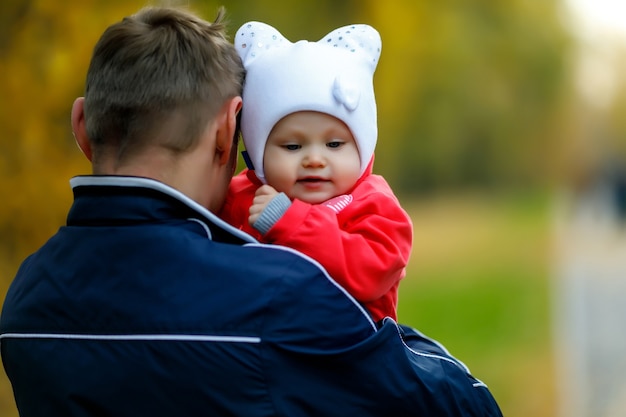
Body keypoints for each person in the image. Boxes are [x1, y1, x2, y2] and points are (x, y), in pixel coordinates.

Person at [0, 5, 503, 417]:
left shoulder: (24, 303)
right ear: (228, 131)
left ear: (83, 127)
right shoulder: (278, 294)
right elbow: (461, 405)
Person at [220, 21, 412, 322]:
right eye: (292, 147)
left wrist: (291, 222)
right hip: (258, 351)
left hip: (348, 353)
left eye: (334, 144)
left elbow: (374, 271)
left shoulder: (373, 204)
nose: (314, 159)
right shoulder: (237, 197)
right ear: (259, 154)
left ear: (361, 148)